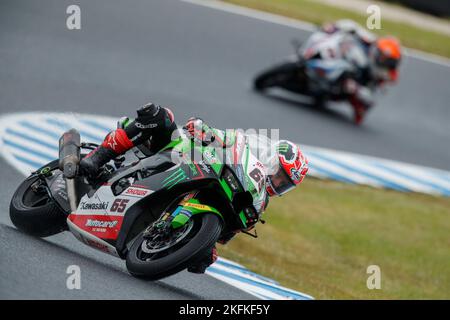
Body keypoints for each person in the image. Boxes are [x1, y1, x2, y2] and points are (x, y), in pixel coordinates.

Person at [80, 102, 309, 273]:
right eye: (280, 175)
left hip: (190, 192)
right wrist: (202, 130)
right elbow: (223, 138)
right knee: (160, 115)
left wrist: (206, 249)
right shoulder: (246, 150)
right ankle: (98, 157)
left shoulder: (258, 203)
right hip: (179, 154)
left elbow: (224, 234)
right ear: (271, 159)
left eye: (285, 185)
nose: (278, 184)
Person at [310, 20, 402, 124]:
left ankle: (330, 89)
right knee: (329, 39)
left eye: (388, 61)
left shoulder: (389, 74)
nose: (383, 61)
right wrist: (333, 27)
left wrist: (358, 91)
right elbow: (351, 26)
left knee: (362, 105)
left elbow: (372, 98)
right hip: (343, 59)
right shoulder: (370, 41)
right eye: (382, 57)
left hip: (354, 86)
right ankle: (312, 58)